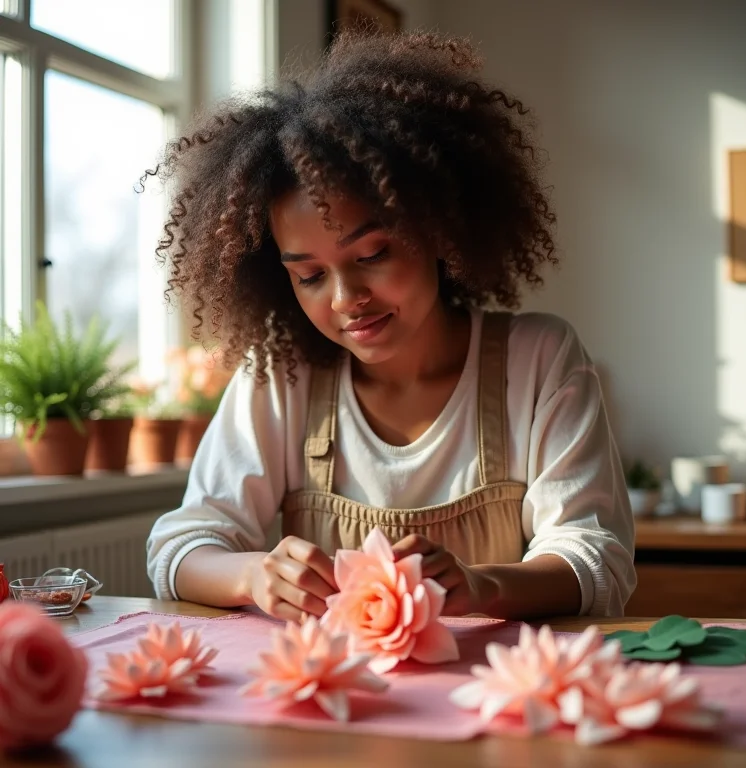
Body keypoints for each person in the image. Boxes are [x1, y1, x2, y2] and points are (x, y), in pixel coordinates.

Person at [145, 29, 636, 623]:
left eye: (372, 254)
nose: (347, 298)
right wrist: (253, 574)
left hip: (493, 699)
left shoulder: (538, 359)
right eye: (309, 277)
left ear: (438, 229)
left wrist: (481, 588)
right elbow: (179, 548)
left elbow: (596, 560)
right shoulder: (282, 375)